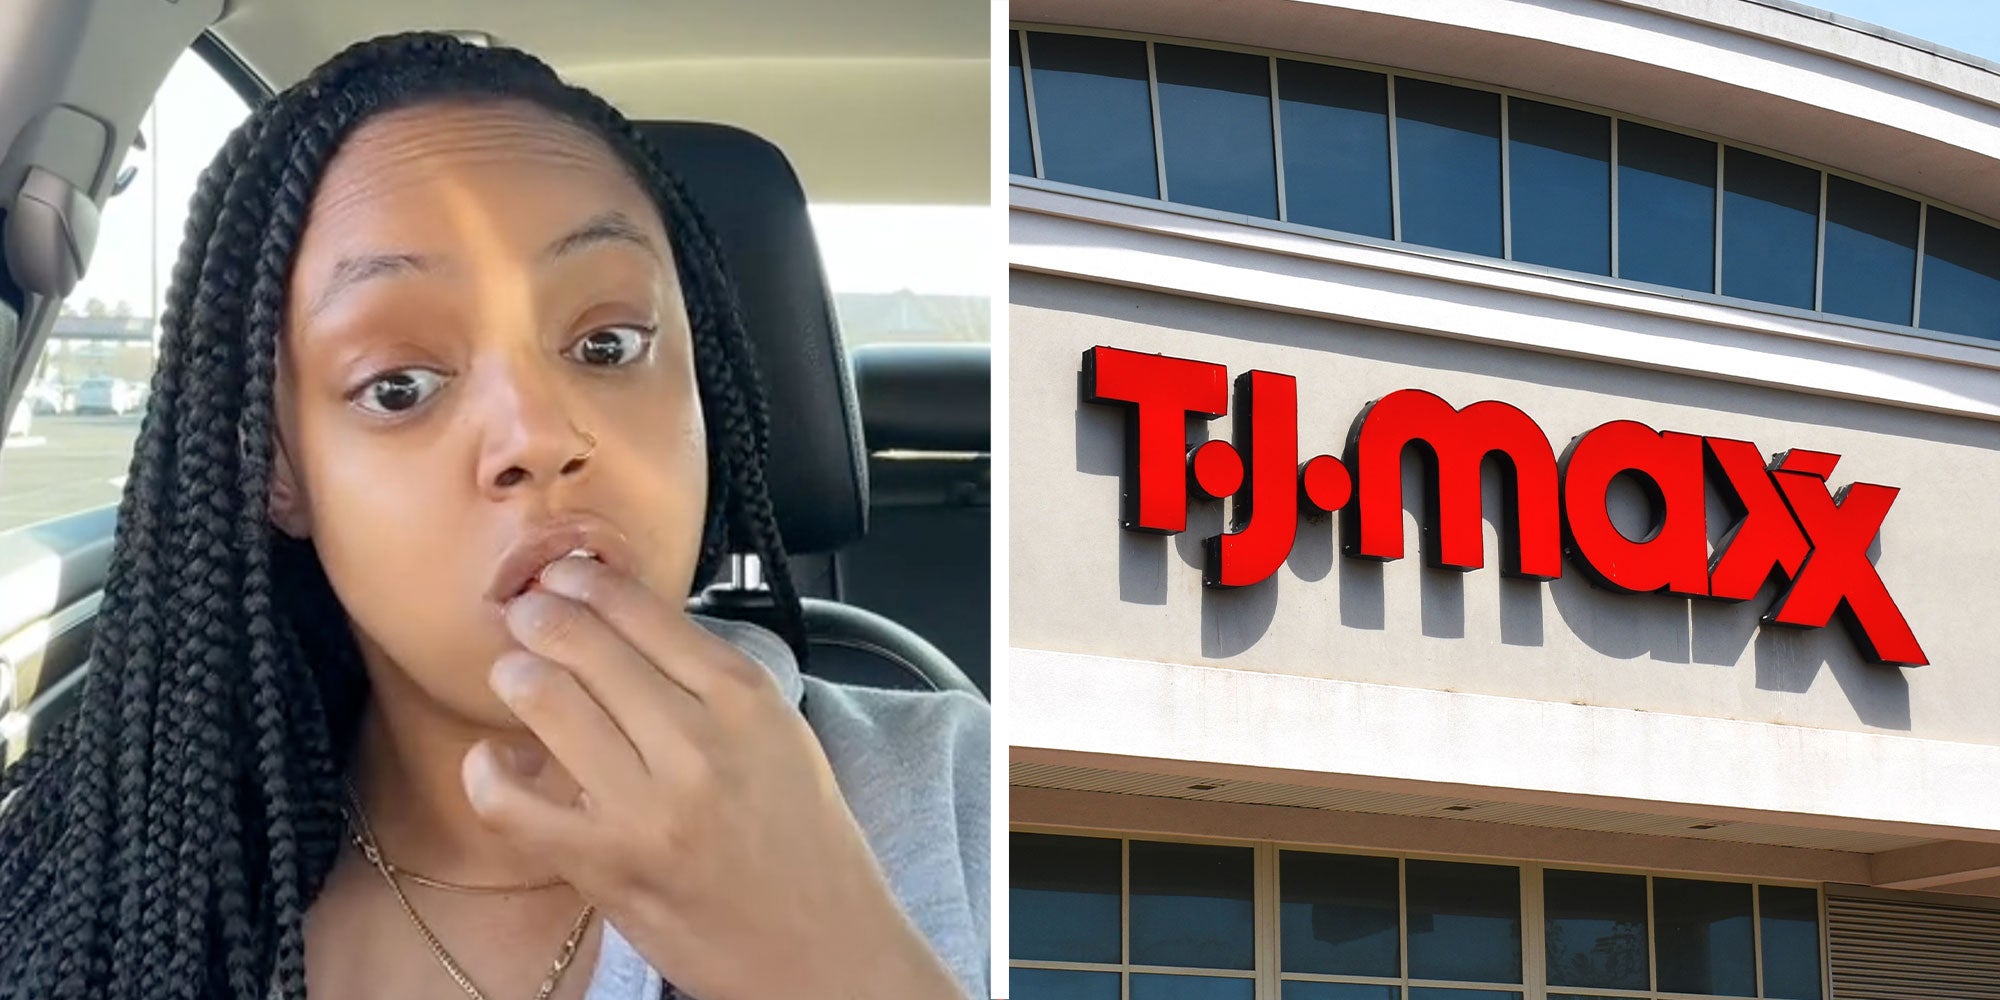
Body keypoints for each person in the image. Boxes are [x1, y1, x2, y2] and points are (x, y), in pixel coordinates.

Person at [0, 31, 987, 1000]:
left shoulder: (952, 788)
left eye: (607, 345)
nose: (538, 434)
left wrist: (829, 963)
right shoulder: (143, 894)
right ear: (280, 474)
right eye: (399, 384)